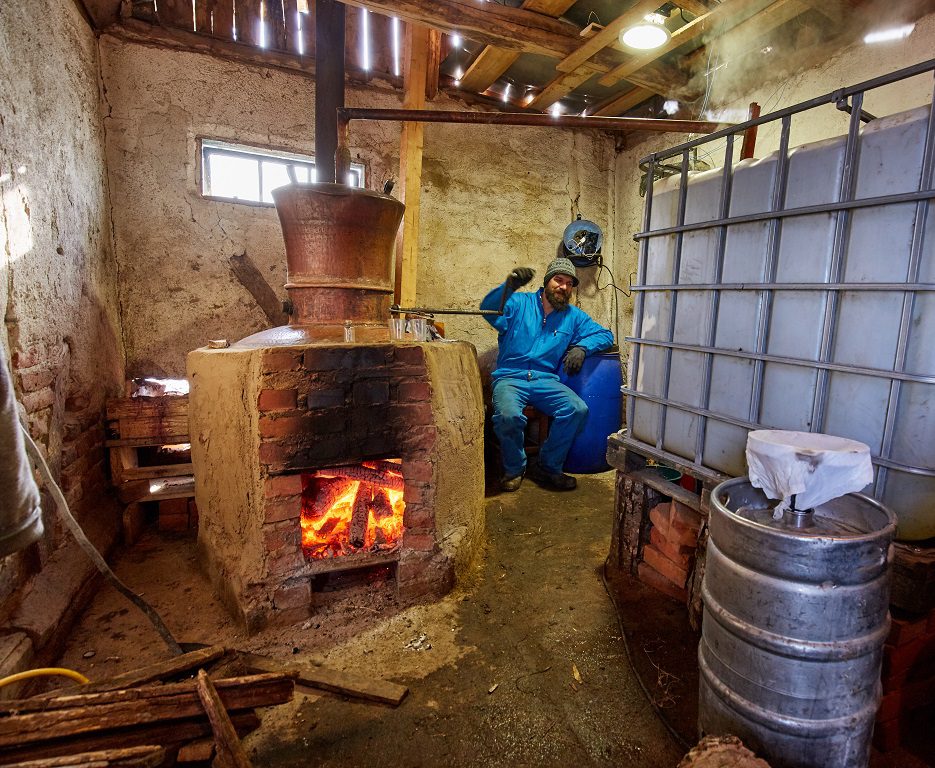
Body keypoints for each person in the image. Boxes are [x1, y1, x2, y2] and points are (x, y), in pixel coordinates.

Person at [480, 257, 614, 492]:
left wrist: (582, 348)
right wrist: (508, 287)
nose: (563, 287)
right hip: (511, 377)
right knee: (508, 416)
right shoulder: (519, 303)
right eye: (558, 280)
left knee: (576, 409)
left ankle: (549, 466)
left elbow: (605, 335)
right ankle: (514, 468)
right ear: (547, 282)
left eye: (569, 283)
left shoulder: (573, 316)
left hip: (544, 379)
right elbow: (489, 311)